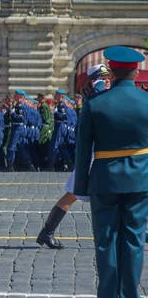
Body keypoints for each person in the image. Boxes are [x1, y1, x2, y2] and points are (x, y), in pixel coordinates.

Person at [75, 46, 148, 298]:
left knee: (105, 243)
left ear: (111, 71)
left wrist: (81, 186)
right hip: (140, 179)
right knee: (134, 241)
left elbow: (83, 149)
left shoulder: (95, 103)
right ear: (136, 71)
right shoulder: (146, 102)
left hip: (104, 179)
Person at [36, 64, 110, 249]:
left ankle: (47, 232)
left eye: (108, 77)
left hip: (103, 153)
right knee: (74, 194)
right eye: (102, 78)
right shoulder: (93, 98)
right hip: (93, 155)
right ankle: (47, 232)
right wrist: (99, 87)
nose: (107, 81)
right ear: (94, 82)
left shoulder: (105, 96)